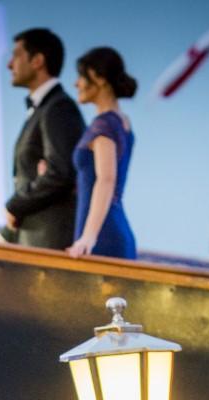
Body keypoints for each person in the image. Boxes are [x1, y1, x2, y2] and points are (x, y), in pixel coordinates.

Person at [3, 28, 85, 251]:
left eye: (16, 56)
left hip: (48, 241)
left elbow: (60, 172)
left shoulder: (59, 107)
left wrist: (15, 206)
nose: (10, 65)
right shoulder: (46, 108)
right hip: (32, 238)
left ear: (38, 60)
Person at [67, 47, 138, 260]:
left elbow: (106, 179)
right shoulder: (123, 123)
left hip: (102, 234)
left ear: (99, 78)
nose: (76, 83)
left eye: (81, 75)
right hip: (112, 228)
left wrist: (88, 236)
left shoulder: (104, 125)